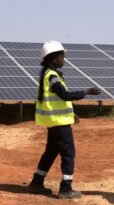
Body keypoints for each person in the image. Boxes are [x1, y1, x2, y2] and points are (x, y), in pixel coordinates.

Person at [28, 40, 101, 199]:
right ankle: (65, 189)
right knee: (68, 154)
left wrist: (70, 114)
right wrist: (87, 91)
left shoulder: (48, 74)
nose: (64, 60)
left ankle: (37, 182)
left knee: (51, 152)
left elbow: (58, 100)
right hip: (59, 123)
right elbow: (65, 95)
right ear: (54, 59)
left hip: (55, 121)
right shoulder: (53, 76)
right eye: (62, 56)